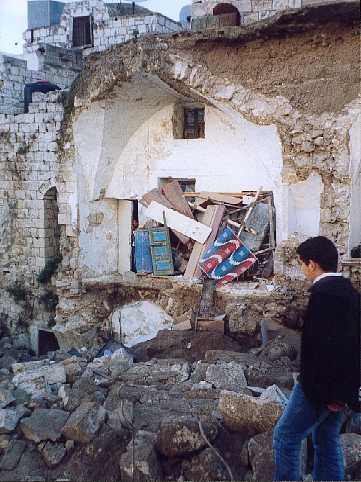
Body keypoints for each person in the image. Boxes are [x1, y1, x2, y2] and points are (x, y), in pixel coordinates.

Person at [273, 236, 360, 481]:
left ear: (312, 264)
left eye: (301, 264)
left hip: (320, 388)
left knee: (285, 437)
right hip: (343, 386)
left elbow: (324, 349)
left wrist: (326, 394)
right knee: (325, 437)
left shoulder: (324, 295)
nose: (302, 271)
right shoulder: (350, 293)